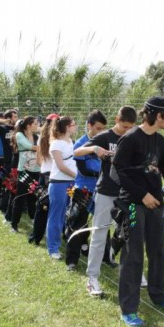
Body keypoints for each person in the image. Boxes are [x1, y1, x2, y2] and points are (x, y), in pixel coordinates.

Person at [112, 96, 164, 327]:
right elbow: (118, 172)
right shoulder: (130, 139)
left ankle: (158, 295)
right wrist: (142, 194)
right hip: (132, 204)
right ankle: (128, 308)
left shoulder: (160, 142)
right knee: (133, 255)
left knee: (157, 251)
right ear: (158, 115)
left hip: (155, 205)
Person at [73, 106, 137, 296]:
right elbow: (76, 152)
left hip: (127, 194)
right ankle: (92, 278)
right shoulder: (105, 137)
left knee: (130, 234)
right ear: (117, 119)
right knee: (100, 235)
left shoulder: (133, 137)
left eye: (130, 127)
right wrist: (94, 148)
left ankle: (134, 272)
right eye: (124, 126)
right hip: (106, 192)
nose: (127, 131)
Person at [65, 109, 107, 271]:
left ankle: (105, 257)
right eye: (98, 128)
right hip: (83, 190)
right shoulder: (81, 144)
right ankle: (72, 261)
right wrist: (103, 173)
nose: (101, 132)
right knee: (77, 224)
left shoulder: (104, 142)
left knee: (102, 224)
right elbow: (82, 170)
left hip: (101, 190)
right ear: (89, 125)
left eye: (103, 128)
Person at [46, 116, 78, 260]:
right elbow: (61, 166)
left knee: (67, 213)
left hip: (70, 184)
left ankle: (63, 240)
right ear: (66, 127)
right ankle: (53, 247)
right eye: (73, 124)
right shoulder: (56, 144)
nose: (75, 126)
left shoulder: (71, 142)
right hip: (59, 184)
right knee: (56, 216)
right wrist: (76, 176)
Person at [28, 113, 59, 246]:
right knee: (54, 208)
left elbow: (38, 161)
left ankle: (36, 236)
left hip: (44, 174)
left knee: (42, 208)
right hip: (54, 176)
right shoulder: (57, 138)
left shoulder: (41, 137)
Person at [10, 116, 40, 233]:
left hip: (36, 170)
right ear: (29, 125)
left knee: (33, 197)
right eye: (36, 124)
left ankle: (33, 219)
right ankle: (14, 224)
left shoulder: (37, 137)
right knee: (20, 197)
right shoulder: (19, 135)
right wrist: (42, 148)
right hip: (24, 170)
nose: (37, 126)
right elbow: (28, 146)